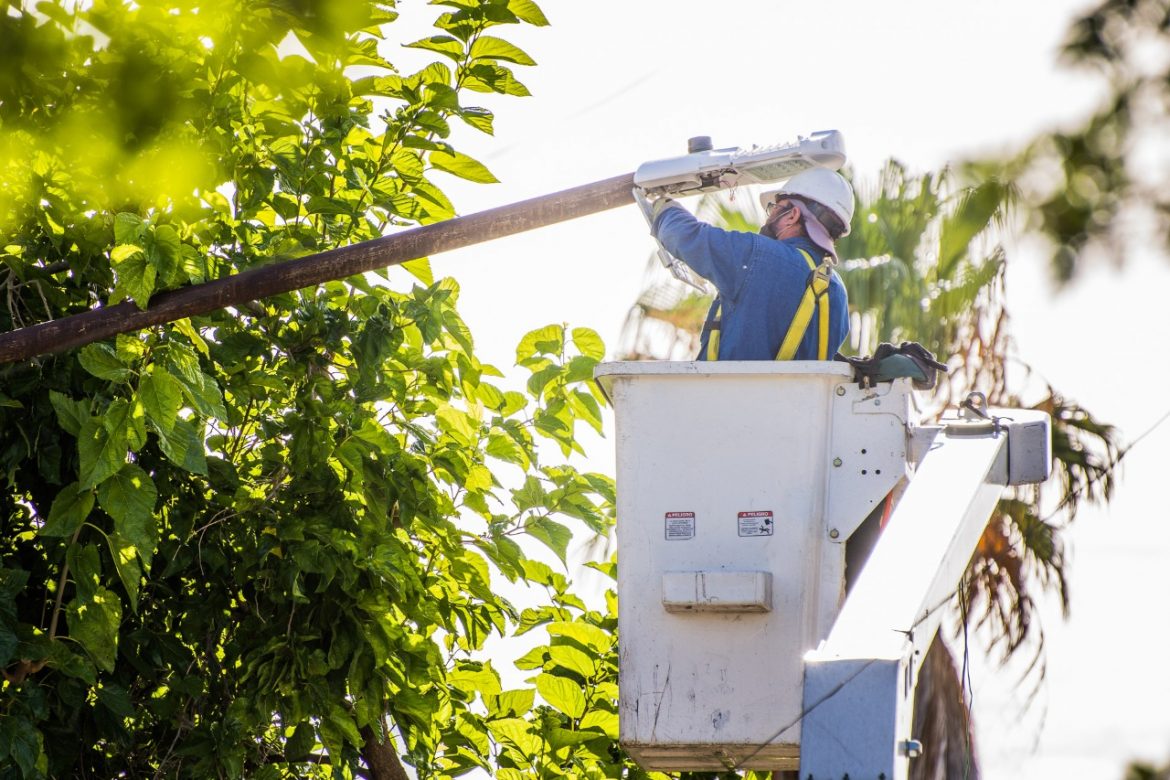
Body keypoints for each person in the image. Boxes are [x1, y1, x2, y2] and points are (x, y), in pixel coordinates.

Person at [649, 167, 854, 361]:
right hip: (796, 391)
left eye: (775, 207)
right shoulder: (838, 294)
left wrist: (663, 205)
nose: (769, 215)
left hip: (725, 388)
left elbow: (681, 234)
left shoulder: (759, 256)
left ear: (792, 215)